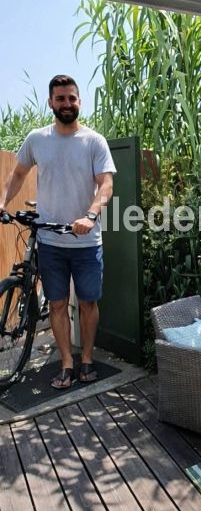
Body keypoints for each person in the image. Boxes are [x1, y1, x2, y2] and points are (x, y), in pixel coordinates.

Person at [0, 75, 116, 389]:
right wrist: (2, 202)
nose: (67, 104)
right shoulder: (37, 139)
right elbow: (18, 173)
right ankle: (66, 361)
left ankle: (87, 358)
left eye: (72, 98)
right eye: (60, 99)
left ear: (79, 102)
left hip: (86, 241)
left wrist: (91, 215)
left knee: (89, 303)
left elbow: (106, 184)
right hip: (50, 241)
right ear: (51, 102)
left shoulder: (94, 141)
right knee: (57, 304)